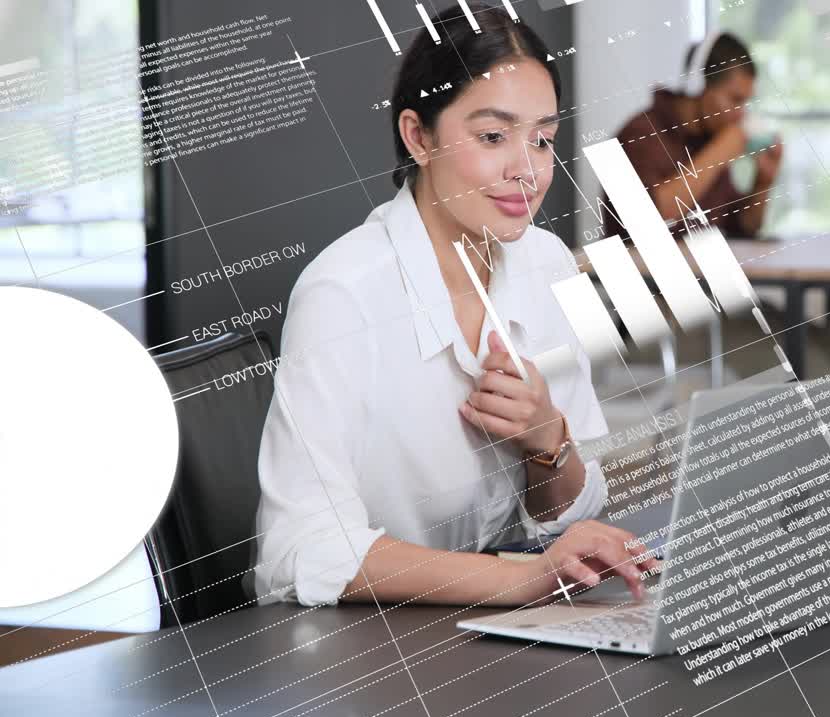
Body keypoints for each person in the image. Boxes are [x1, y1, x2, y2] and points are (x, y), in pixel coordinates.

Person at [253, 5, 657, 610]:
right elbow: (297, 552)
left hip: (489, 637)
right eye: (493, 136)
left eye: (542, 139)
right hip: (364, 652)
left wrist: (549, 442)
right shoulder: (342, 294)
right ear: (419, 136)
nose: (527, 171)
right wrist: (525, 579)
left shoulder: (545, 261)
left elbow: (569, 518)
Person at [603, 32, 783, 239]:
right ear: (698, 85)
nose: (741, 113)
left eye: (745, 102)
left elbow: (743, 227)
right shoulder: (636, 134)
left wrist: (763, 182)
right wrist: (720, 153)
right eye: (735, 100)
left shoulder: (710, 137)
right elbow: (650, 220)